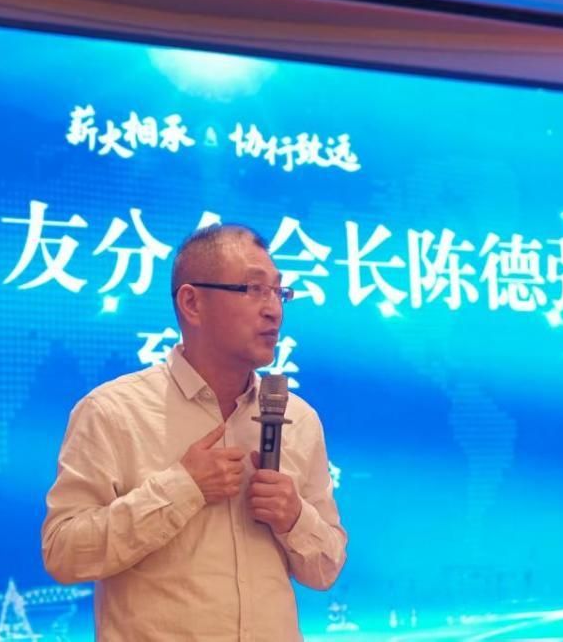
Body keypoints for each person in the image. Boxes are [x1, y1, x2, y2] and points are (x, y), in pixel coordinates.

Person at [41, 223, 347, 641]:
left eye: (279, 292)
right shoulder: (113, 412)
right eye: (254, 289)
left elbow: (326, 569)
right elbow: (63, 553)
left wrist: (294, 516)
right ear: (192, 303)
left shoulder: (298, 418)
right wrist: (182, 488)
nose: (274, 310)